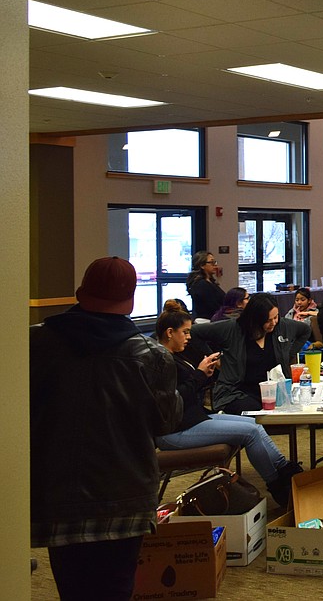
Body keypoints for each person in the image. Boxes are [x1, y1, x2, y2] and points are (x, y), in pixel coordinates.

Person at [31, 257, 182, 601]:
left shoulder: (34, 343)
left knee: (71, 588)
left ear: (80, 292)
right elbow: (167, 423)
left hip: (56, 493)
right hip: (125, 497)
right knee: (117, 588)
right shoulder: (151, 355)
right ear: (130, 301)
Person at [153, 301, 302, 506]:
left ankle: (285, 470)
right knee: (250, 432)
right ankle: (278, 485)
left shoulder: (176, 358)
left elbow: (190, 392)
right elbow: (175, 400)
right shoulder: (162, 363)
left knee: (253, 423)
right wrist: (198, 375)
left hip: (192, 418)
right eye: (185, 332)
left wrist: (204, 374)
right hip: (175, 430)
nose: (189, 337)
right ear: (170, 333)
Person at [193, 293, 311, 414]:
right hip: (237, 391)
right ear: (255, 318)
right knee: (254, 411)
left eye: (276, 317)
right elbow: (194, 332)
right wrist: (212, 358)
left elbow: (305, 330)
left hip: (274, 391)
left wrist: (289, 354)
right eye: (268, 320)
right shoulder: (232, 328)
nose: (274, 322)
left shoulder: (282, 325)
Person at [187, 249, 225, 321]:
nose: (215, 265)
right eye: (212, 263)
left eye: (215, 262)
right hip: (208, 321)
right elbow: (213, 306)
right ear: (202, 265)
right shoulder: (201, 284)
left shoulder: (210, 281)